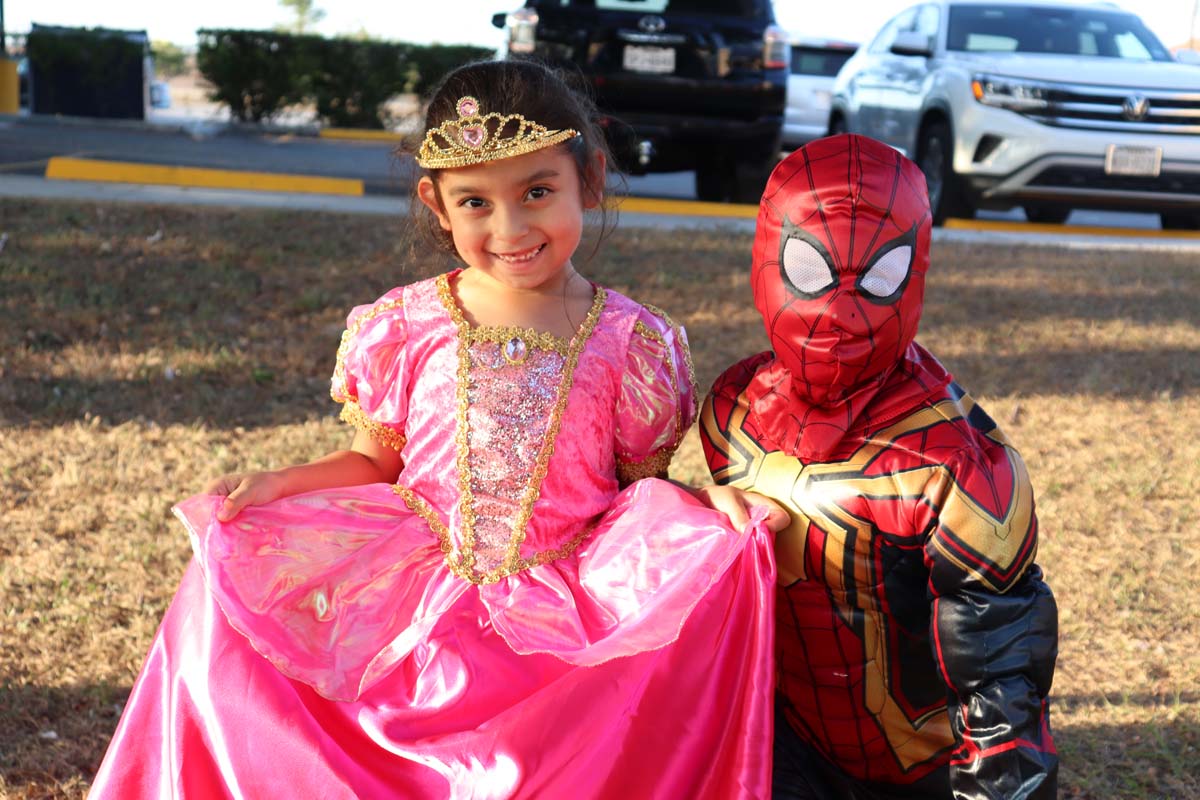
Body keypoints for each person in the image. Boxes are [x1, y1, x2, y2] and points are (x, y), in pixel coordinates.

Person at [89, 59, 787, 799]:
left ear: (591, 177)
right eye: (475, 204)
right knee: (232, 592)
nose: (510, 227)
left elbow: (633, 499)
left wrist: (702, 512)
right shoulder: (408, 325)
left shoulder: (631, 342)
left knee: (531, 771)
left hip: (556, 623)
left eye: (538, 193)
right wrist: (279, 485)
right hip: (417, 600)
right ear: (437, 203)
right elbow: (374, 459)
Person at [700, 134, 1059, 799]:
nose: (839, 311)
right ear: (766, 257)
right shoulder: (730, 412)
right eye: (810, 269)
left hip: (925, 769)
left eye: (879, 276)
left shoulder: (960, 463)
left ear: (913, 270)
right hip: (781, 742)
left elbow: (1001, 677)